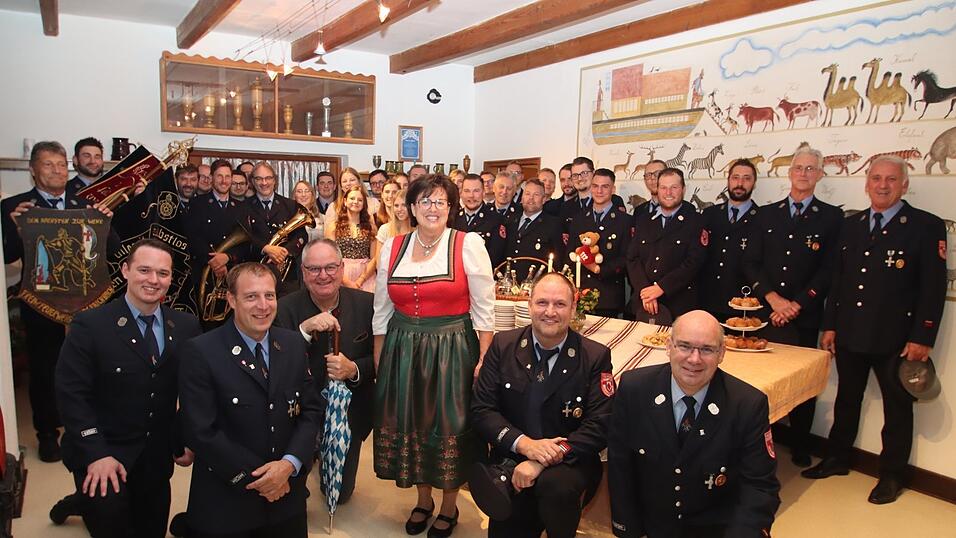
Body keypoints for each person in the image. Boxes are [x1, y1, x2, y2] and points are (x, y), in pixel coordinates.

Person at [803, 156, 947, 504]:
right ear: (866, 184)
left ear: (904, 185)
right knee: (846, 400)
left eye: (891, 180)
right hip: (851, 332)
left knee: (898, 410)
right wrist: (830, 325)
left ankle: (892, 475)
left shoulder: (926, 226)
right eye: (876, 178)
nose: (883, 185)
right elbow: (840, 280)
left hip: (897, 339)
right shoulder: (852, 226)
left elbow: (933, 287)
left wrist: (922, 337)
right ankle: (837, 458)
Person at [373, 174, 494, 537]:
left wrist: (483, 355)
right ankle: (423, 499)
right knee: (411, 421)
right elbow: (381, 309)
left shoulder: (467, 244)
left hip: (452, 346)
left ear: (450, 208)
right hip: (402, 346)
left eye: (440, 201)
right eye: (424, 201)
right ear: (411, 208)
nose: (432, 208)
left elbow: (484, 307)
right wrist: (380, 358)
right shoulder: (393, 247)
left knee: (448, 423)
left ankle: (448, 506)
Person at [53, 239, 201, 538]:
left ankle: (82, 502)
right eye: (144, 270)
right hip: (105, 451)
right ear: (124, 270)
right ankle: (82, 500)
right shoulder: (90, 325)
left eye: (163, 273)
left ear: (172, 278)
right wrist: (96, 454)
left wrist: (185, 437)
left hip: (155, 458)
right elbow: (71, 394)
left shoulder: (185, 326)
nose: (153, 280)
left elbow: (192, 389)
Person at [608, 310, 780, 537]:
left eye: (707, 349)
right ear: (669, 346)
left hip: (719, 530)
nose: (694, 359)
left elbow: (759, 487)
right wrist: (627, 530)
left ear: (722, 353)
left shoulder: (747, 404)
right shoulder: (634, 389)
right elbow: (621, 468)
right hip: (655, 527)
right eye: (685, 346)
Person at [178, 263, 319, 537]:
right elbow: (201, 431)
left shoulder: (292, 344)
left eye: (269, 295)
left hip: (286, 500)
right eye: (251, 296)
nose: (263, 306)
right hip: (228, 501)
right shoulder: (202, 351)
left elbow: (311, 409)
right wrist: (265, 480)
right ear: (231, 300)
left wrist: (288, 465)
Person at [471, 272, 613, 538]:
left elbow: (600, 425)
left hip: (569, 464)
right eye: (542, 303)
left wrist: (541, 460)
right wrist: (525, 445)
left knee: (556, 487)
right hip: (512, 459)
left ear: (573, 309)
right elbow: (482, 410)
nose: (550, 312)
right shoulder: (503, 345)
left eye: (560, 304)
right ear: (529, 305)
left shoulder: (595, 356)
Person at [1, 141, 112, 462]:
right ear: (33, 170)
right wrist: (12, 225)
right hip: (41, 304)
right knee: (44, 368)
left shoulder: (84, 203)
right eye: (49, 165)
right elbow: (8, 255)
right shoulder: (16, 206)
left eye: (62, 165)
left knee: (89, 367)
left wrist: (106, 220)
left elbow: (108, 250)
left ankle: (88, 427)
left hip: (85, 303)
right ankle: (47, 433)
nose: (57, 171)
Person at [743, 145, 842, 467]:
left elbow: (829, 269)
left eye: (811, 169)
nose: (803, 173)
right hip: (765, 312)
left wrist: (796, 304)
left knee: (802, 381)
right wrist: (772, 298)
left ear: (820, 175)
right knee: (760, 381)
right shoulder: (766, 214)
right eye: (799, 168)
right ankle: (758, 441)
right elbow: (751, 263)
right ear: (790, 172)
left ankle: (800, 443)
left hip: (805, 314)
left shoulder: (831, 217)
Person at [275, 238, 375, 505]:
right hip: (298, 411)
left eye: (330, 267)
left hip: (348, 412)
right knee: (291, 493)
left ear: (342, 268)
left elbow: (382, 359)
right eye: (314, 269)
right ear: (303, 272)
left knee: (340, 496)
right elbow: (276, 363)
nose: (323, 276)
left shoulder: (368, 305)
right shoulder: (284, 308)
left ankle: (324, 461)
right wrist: (303, 332)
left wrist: (354, 369)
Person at [626, 167, 705, 323]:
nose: (668, 193)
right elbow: (632, 259)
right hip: (644, 304)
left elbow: (694, 262)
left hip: (679, 306)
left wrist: (661, 288)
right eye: (663, 187)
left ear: (683, 189)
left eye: (673, 187)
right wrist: (646, 292)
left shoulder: (696, 221)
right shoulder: (644, 220)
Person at [698, 159, 761, 322]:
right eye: (735, 177)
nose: (740, 183)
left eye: (747, 178)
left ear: (754, 183)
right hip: (707, 303)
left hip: (742, 306)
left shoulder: (763, 219)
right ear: (728, 180)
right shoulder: (709, 215)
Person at [564, 168, 631, 317]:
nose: (599, 191)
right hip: (580, 294)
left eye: (605, 186)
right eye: (595, 186)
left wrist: (600, 269)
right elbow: (570, 254)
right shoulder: (579, 219)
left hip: (608, 297)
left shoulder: (624, 221)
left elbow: (627, 258)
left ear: (612, 189)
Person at [184, 159, 243, 326]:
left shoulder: (241, 207)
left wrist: (228, 258)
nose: (224, 181)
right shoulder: (197, 203)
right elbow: (192, 237)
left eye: (227, 176)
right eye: (219, 176)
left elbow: (247, 244)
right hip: (204, 272)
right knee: (204, 325)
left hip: (231, 273)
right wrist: (215, 262)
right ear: (212, 178)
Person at [239, 161, 309, 296]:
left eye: (268, 178)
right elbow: (243, 237)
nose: (264, 183)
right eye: (258, 179)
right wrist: (265, 248)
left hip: (286, 276)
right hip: (254, 274)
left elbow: (301, 236)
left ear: (275, 180)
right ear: (252, 182)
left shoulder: (290, 205)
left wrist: (284, 251)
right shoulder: (243, 207)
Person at [505, 179, 564, 281]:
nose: (531, 198)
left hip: (538, 285)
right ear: (522, 197)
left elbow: (558, 260)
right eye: (527, 194)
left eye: (536, 195)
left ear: (544, 199)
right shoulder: (510, 221)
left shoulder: (553, 224)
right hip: (509, 285)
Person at [326, 185, 378, 292]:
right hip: (340, 275)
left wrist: (360, 280)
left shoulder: (371, 227)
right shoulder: (334, 227)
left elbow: (374, 258)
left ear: (364, 204)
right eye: (352, 198)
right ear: (345, 201)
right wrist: (346, 282)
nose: (356, 202)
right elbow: (330, 258)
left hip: (366, 276)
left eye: (360, 200)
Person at [452, 174, 507, 269]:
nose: (471, 195)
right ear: (461, 193)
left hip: (483, 277)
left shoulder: (496, 220)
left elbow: (495, 257)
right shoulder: (453, 218)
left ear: (483, 193)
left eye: (476, 191)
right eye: (467, 191)